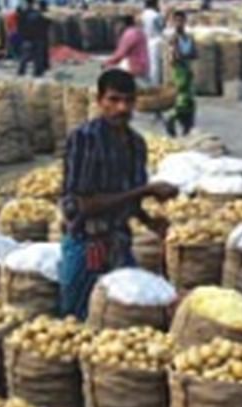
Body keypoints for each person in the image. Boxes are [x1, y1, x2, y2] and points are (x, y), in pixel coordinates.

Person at [59, 69, 177, 319]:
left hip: (119, 241)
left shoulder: (136, 144)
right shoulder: (84, 139)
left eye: (128, 100)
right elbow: (84, 205)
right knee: (78, 316)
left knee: (127, 313)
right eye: (113, 100)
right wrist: (146, 190)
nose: (121, 108)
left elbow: (130, 198)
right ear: (100, 101)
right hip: (86, 242)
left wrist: (149, 221)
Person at [166, 9, 195, 135]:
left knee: (189, 99)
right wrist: (183, 56)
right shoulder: (173, 38)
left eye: (181, 20)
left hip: (187, 69)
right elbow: (175, 57)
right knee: (181, 97)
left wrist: (185, 55)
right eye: (176, 21)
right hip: (179, 71)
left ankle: (187, 125)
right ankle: (172, 120)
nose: (179, 23)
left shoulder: (188, 37)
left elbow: (194, 53)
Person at [16, 0, 46, 75]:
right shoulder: (38, 14)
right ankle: (36, 72)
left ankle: (22, 72)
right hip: (35, 38)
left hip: (29, 38)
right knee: (36, 56)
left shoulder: (24, 13)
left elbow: (19, 27)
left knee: (26, 56)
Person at [139, 0, 162, 84]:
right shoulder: (156, 15)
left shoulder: (142, 14)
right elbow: (161, 27)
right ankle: (155, 83)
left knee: (147, 62)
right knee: (155, 64)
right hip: (155, 39)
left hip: (145, 39)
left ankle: (148, 82)